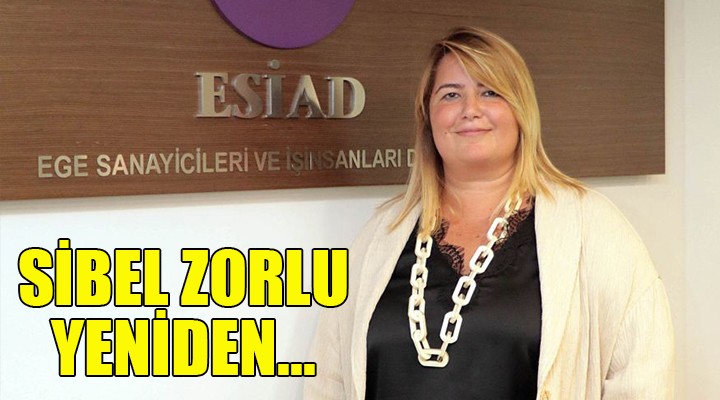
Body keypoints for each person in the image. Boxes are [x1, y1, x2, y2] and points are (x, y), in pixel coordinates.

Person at [304, 27, 674, 400]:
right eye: (451, 94)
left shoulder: (591, 229)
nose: (470, 109)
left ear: (521, 111)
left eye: (490, 92)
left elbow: (642, 377)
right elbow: (329, 380)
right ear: (428, 118)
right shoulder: (379, 238)